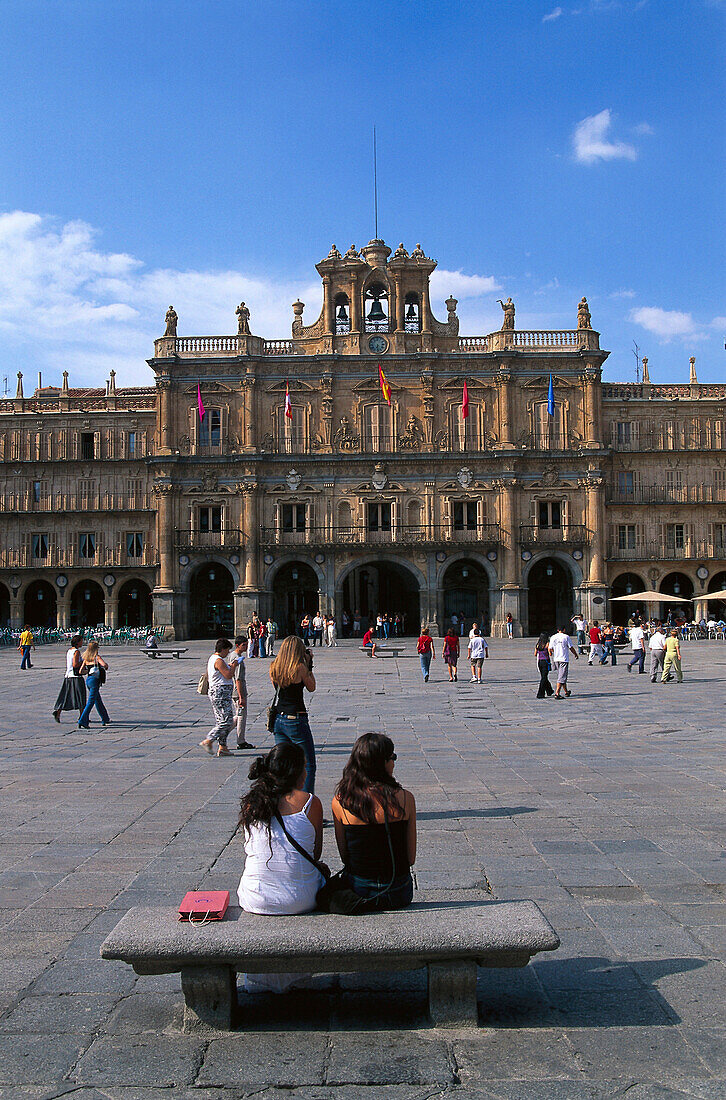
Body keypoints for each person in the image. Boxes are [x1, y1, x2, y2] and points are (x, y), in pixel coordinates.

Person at [237, 743, 326, 993]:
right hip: (301, 899)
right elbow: (314, 853)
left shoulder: (251, 803)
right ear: (298, 772)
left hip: (255, 897)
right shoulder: (309, 802)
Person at [332, 733, 415, 911]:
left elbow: (346, 856)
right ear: (383, 763)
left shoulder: (341, 801)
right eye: (392, 757)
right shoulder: (406, 799)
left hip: (359, 890)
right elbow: (410, 858)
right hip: (398, 892)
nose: (393, 762)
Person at [270, 635, 317, 793]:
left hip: (278, 719)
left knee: (283, 764)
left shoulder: (274, 666)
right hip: (296, 719)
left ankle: (284, 805)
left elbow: (278, 688)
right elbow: (311, 687)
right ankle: (306, 809)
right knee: (308, 764)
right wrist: (309, 664)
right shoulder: (300, 667)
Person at [199, 637, 235, 757]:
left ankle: (223, 747)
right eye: (228, 650)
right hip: (221, 693)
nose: (228, 653)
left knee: (222, 720)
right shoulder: (218, 660)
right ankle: (209, 740)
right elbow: (228, 675)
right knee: (227, 721)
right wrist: (234, 666)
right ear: (223, 649)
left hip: (217, 692)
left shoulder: (213, 658)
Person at [52, 634, 87, 723]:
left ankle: (58, 712)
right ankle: (82, 716)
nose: (82, 642)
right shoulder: (77, 652)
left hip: (68, 676)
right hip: (76, 677)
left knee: (65, 696)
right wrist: (84, 662)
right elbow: (75, 664)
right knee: (80, 696)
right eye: (81, 641)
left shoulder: (69, 651)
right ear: (78, 642)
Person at [77, 640, 110, 729]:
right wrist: (104, 666)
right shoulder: (97, 657)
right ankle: (82, 720)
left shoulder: (86, 658)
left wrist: (88, 671)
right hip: (95, 681)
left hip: (88, 680)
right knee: (91, 702)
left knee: (97, 700)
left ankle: (105, 718)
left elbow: (81, 671)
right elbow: (105, 665)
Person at [231, 636, 255, 750]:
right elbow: (238, 679)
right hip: (239, 691)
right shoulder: (238, 660)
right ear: (237, 645)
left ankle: (221, 731)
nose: (246, 647)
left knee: (238, 715)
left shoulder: (232, 655)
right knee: (241, 716)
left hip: (234, 690)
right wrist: (241, 696)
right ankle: (240, 741)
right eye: (243, 645)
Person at [548, 626, 579, 698]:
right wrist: (575, 654)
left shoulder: (553, 637)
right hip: (563, 659)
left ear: (558, 630)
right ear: (564, 630)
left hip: (556, 659)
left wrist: (553, 653)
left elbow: (550, 648)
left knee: (562, 675)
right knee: (561, 676)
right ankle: (557, 693)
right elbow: (571, 647)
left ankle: (566, 691)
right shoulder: (566, 637)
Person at [535, 632, 553, 698]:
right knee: (544, 677)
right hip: (546, 662)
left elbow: (535, 654)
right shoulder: (547, 644)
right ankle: (540, 693)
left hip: (539, 662)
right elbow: (550, 653)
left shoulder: (538, 644)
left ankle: (549, 690)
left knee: (544, 677)